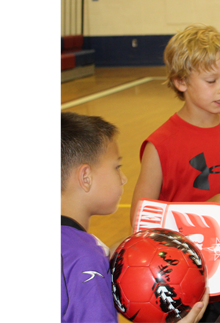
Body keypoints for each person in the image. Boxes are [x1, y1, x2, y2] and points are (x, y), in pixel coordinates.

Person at [131, 24, 220, 322]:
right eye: (211, 80)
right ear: (180, 81)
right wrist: (210, 209)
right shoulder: (160, 145)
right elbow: (139, 220)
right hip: (186, 276)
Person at [60, 112, 209, 323]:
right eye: (116, 167)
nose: (123, 178)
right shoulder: (84, 258)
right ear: (86, 177)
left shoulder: (80, 251)